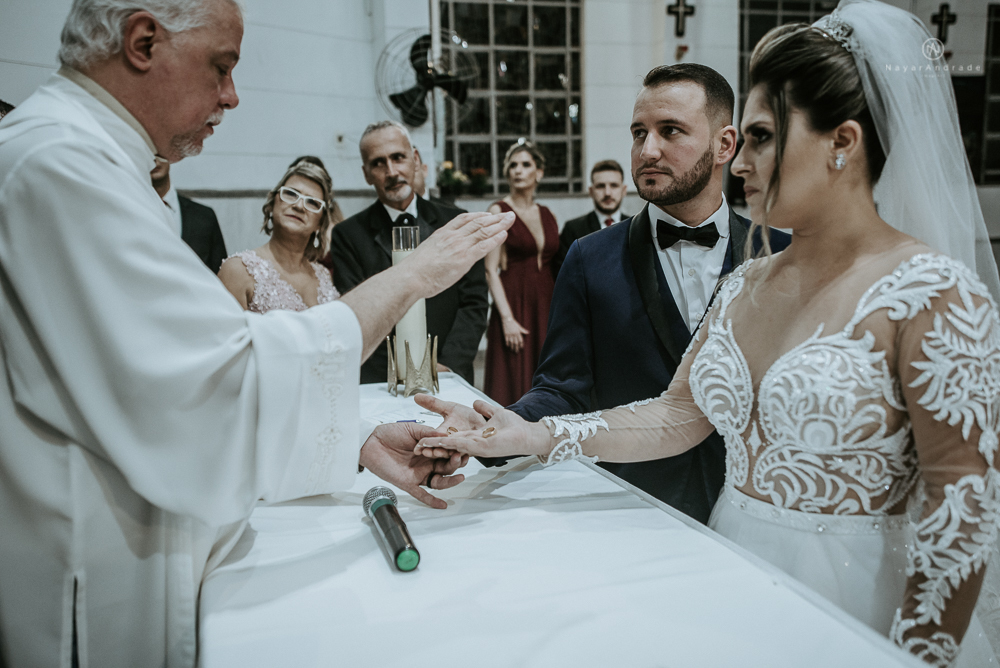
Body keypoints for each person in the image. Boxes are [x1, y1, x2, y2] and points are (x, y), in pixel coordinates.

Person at [418, 2, 1000, 665]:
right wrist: (527, 434)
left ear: (842, 142)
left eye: (759, 137)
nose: (741, 161)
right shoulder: (746, 284)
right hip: (727, 573)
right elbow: (677, 413)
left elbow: (962, 498)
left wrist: (915, 656)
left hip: (856, 607)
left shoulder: (933, 292)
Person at [0, 1, 512, 665]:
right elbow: (218, 377)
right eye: (221, 67)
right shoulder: (59, 160)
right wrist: (411, 276)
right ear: (143, 41)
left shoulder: (91, 156)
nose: (233, 96)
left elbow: (178, 381)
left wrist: (355, 442)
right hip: (92, 568)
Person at [472, 65, 789, 523]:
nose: (647, 150)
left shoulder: (779, 253)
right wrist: (510, 426)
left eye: (670, 131)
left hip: (754, 506)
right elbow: (564, 386)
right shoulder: (588, 257)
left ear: (725, 145)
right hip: (632, 503)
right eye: (639, 133)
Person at [329, 121, 487, 384]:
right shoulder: (349, 235)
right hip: (381, 381)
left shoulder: (456, 222)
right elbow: (356, 311)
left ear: (415, 159)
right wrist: (396, 372)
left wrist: (448, 364)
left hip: (448, 375)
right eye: (378, 163)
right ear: (366, 174)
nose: (391, 171)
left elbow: (474, 303)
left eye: (398, 157)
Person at [483, 141, 560, 406]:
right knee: (512, 378)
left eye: (525, 165)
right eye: (512, 165)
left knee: (546, 373)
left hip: (545, 303)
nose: (518, 170)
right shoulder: (497, 211)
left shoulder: (547, 214)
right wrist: (506, 319)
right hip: (514, 303)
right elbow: (490, 270)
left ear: (539, 172)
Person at [219, 160, 339, 312]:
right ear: (272, 204)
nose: (299, 206)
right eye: (290, 194)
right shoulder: (238, 271)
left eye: (312, 203)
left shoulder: (324, 277)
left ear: (320, 223)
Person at [150, 159, 228, 272]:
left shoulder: (204, 216)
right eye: (149, 153)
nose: (155, 160)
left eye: (159, 154)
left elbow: (221, 272)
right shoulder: (132, 212)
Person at [554, 159, 628, 274]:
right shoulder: (573, 229)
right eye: (600, 186)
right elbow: (565, 273)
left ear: (624, 190)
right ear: (591, 191)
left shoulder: (636, 226)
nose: (607, 192)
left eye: (614, 185)